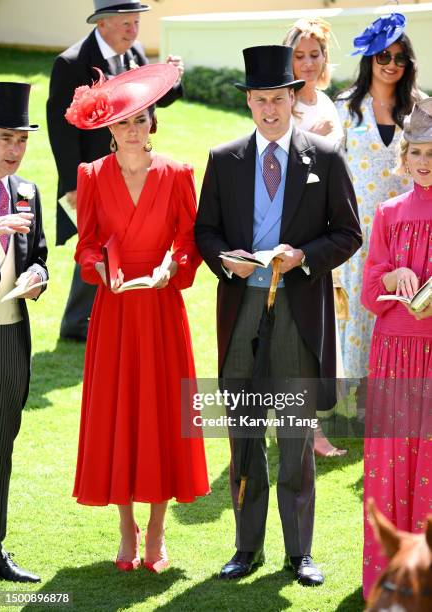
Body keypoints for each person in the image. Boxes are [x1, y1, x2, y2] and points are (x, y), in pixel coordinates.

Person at [195, 45, 362, 586]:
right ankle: (246, 549)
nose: (269, 109)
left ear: (294, 98)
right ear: (248, 102)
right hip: (242, 310)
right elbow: (206, 231)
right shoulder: (224, 160)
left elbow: (348, 233)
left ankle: (300, 553)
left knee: (293, 438)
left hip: (297, 312)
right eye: (259, 100)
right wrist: (226, 262)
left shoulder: (326, 157)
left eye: (277, 98)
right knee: (244, 437)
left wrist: (304, 258)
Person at [65, 64, 209, 572]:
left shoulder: (177, 173)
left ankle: (157, 531)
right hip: (116, 310)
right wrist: (99, 267)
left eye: (141, 118)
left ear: (153, 124)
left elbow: (189, 241)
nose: (133, 127)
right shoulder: (90, 177)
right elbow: (84, 247)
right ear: (110, 127)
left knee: (161, 415)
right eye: (124, 120)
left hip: (161, 309)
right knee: (119, 413)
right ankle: (126, 528)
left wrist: (175, 265)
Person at [47, 0, 184, 342]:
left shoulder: (134, 51)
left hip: (131, 165)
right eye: (126, 23)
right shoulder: (71, 63)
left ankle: (88, 319)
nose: (133, 29)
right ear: (103, 23)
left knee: (119, 242)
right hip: (96, 174)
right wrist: (72, 184)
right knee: (97, 243)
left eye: (136, 22)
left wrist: (173, 77)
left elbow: (148, 102)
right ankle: (77, 322)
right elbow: (61, 131)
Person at [361, 98, 432, 600]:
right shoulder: (388, 213)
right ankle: (390, 577)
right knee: (392, 461)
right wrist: (392, 273)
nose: (425, 162)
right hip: (393, 355)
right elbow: (368, 292)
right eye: (418, 153)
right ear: (403, 159)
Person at [335, 12, 422, 379]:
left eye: (400, 58)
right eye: (383, 56)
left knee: (402, 307)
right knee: (357, 309)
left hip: (409, 233)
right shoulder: (344, 107)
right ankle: (358, 394)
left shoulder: (420, 108)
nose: (391, 64)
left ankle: (400, 386)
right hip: (356, 232)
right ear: (369, 58)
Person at [284, 17, 347, 458]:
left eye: (314, 54)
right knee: (297, 334)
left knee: (323, 333)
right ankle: (305, 431)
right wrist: (309, 139)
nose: (307, 63)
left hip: (330, 233)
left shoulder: (326, 101)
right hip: (297, 235)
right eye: (299, 55)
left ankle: (310, 423)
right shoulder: (284, 105)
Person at [0, 82, 48, 582]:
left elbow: (40, 255)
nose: (16, 150)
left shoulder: (29, 191)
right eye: (5, 138)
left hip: (11, 333)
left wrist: (38, 277)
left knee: (1, 439)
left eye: (23, 140)